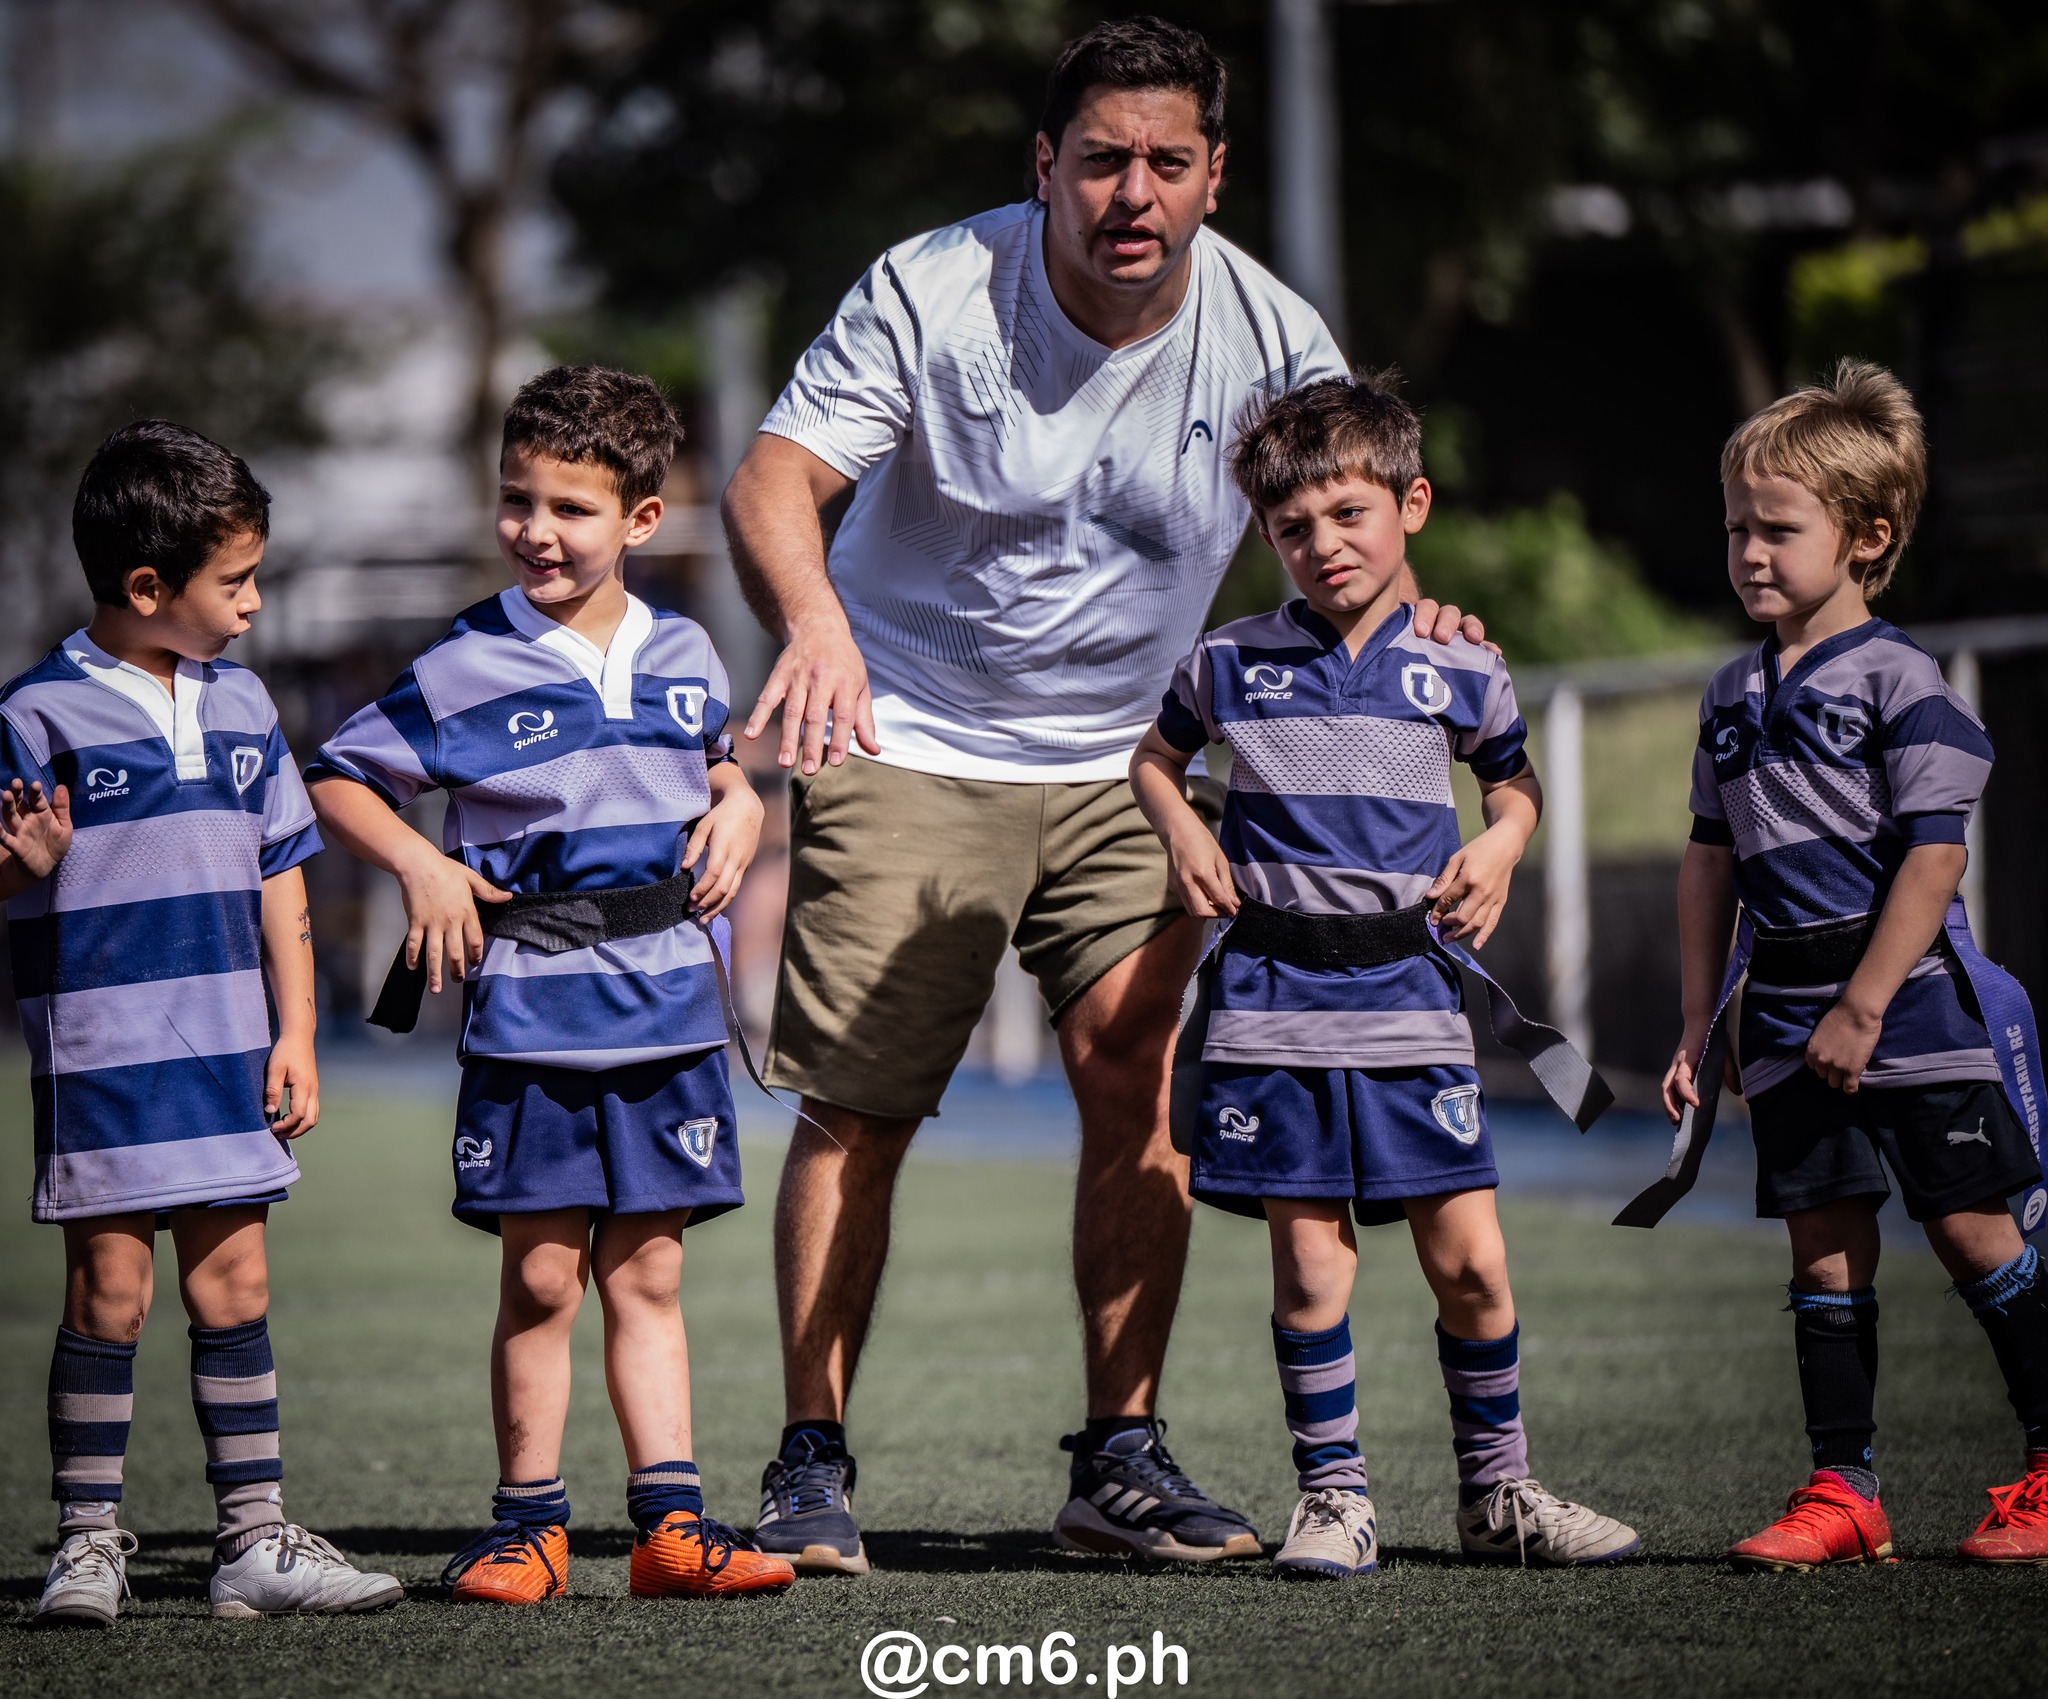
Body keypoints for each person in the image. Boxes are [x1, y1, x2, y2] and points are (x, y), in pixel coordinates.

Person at [723, 12, 1482, 1573]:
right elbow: (774, 478)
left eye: (1167, 161)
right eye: (1100, 160)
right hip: (909, 731)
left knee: (1140, 1092)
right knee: (858, 1107)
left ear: (1214, 176)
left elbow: (1355, 513)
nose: (1131, 193)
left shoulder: (1274, 334)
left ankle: (1116, 1456)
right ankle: (810, 1459)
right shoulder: (933, 287)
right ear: (1044, 169)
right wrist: (814, 624)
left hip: (1140, 765)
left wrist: (1440, 618)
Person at [1129, 371, 1639, 1577]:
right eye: (1292, 526)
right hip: (1270, 1006)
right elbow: (1154, 761)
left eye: (1348, 514)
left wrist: (1504, 840)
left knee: (1468, 1258)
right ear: (1265, 534)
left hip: (1412, 1002)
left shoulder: (1462, 663)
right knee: (1309, 1264)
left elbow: (1510, 783)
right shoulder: (1227, 662)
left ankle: (1497, 1493)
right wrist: (1185, 827)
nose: (1321, 544)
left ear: (1409, 504)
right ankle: (1333, 1497)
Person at [307, 367, 793, 1604]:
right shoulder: (465, 660)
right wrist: (420, 863)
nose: (536, 529)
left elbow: (713, 759)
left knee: (648, 1274)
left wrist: (736, 797)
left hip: (672, 1010)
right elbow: (338, 776)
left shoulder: (684, 649)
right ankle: (527, 1528)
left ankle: (670, 1532)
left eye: (571, 508)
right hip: (531, 1008)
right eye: (517, 499)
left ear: (640, 519)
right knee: (536, 1273)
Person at [7, 422, 403, 1625]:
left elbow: (282, 878)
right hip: (106, 1059)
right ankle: (85, 1544)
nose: (253, 603)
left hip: (234, 1054)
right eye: (233, 582)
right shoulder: (35, 715)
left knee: (234, 1290)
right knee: (108, 1297)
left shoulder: (244, 704)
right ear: (146, 587)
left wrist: (296, 1033)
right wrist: (23, 868)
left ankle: (252, 1544)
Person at [1661, 360, 2048, 1570]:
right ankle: (1843, 1492)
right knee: (1821, 1251)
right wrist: (1693, 1024)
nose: (1748, 552)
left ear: (1867, 536)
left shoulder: (1900, 682)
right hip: (1777, 1011)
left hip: (1907, 1005)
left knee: (1972, 1235)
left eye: (1777, 528)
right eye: (1734, 527)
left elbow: (1934, 860)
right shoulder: (1729, 694)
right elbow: (1706, 865)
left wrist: (1864, 1006)